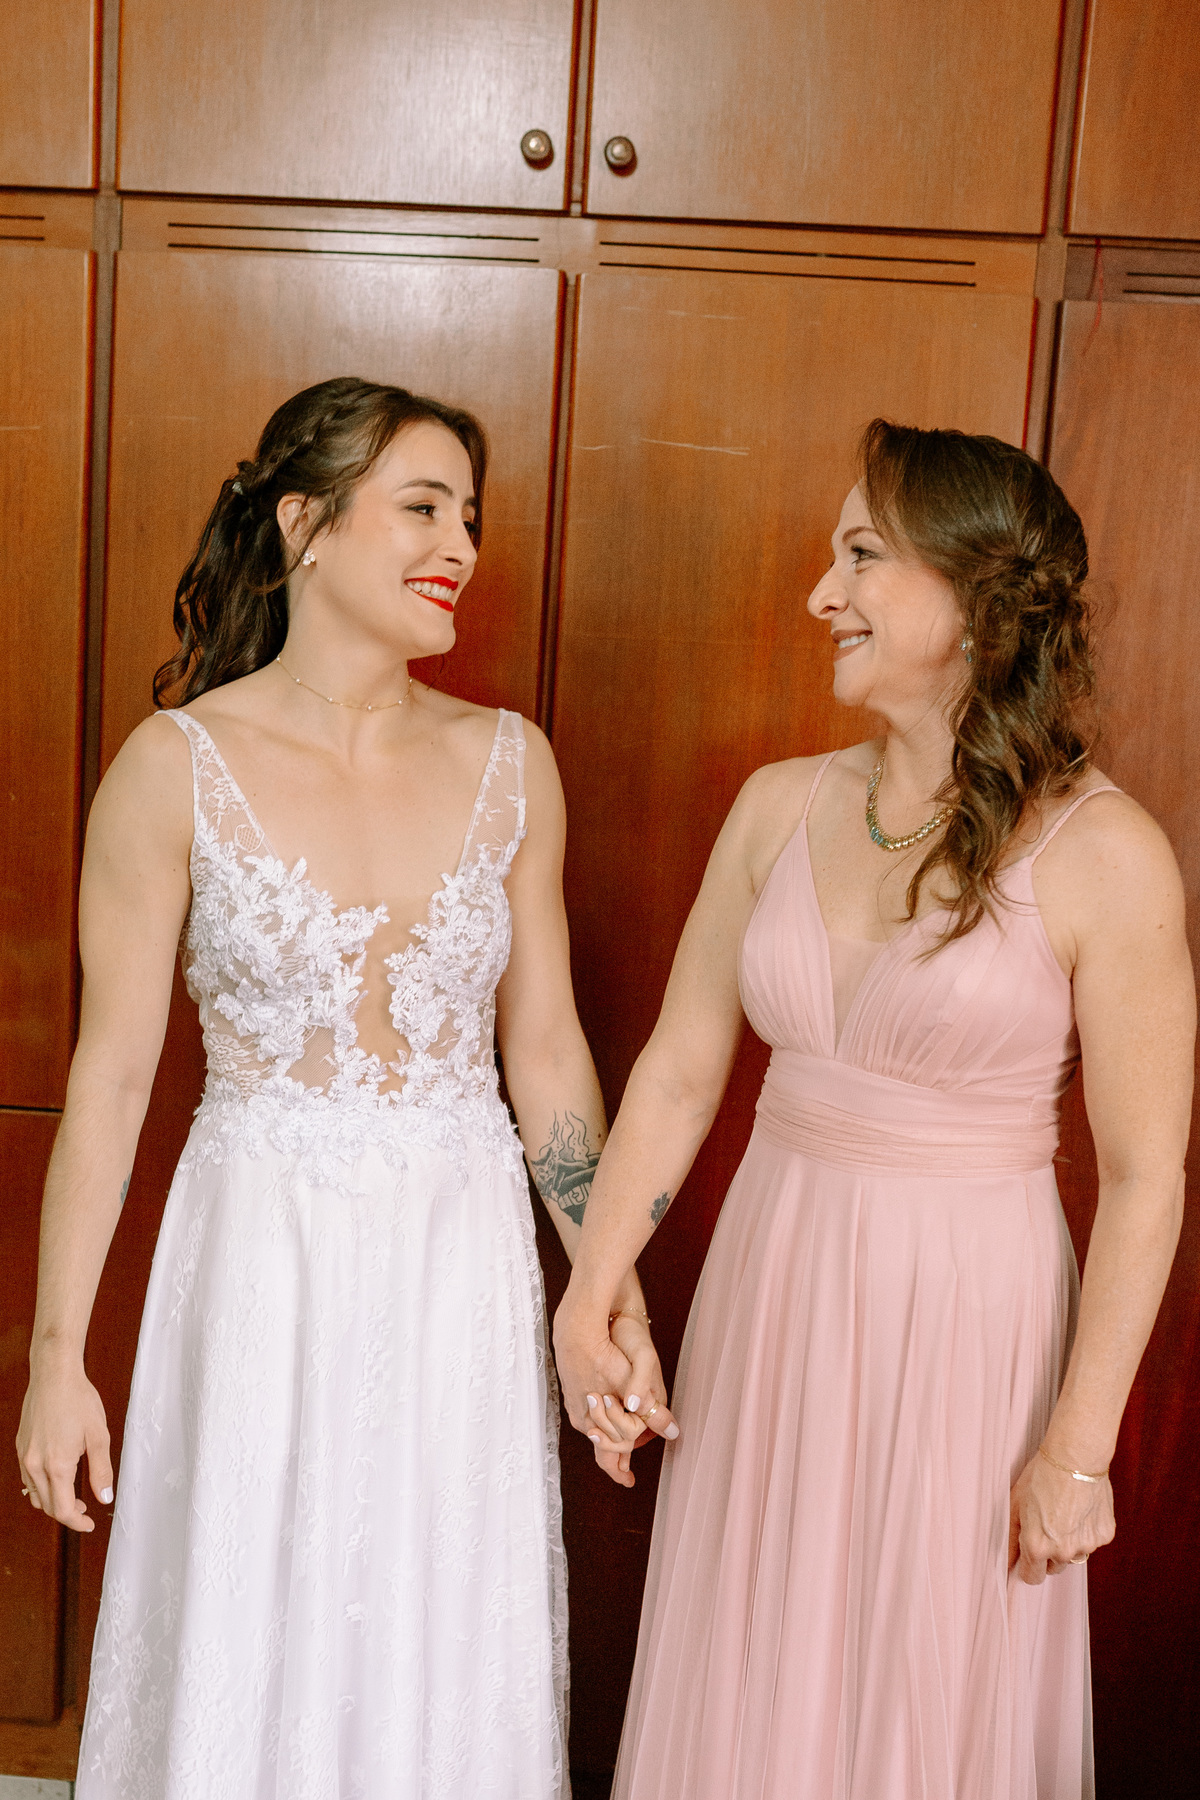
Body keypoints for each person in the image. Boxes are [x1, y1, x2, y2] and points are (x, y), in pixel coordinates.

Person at [16, 376, 671, 1798]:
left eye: (471, 518)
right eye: (423, 507)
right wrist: (57, 1359)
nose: (461, 548)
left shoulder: (511, 763)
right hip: (260, 1254)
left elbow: (545, 1047)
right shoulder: (174, 769)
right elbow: (111, 1081)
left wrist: (603, 1283)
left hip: (458, 1258)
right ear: (304, 521)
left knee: (439, 1624)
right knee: (256, 1615)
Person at [553, 421, 1193, 1800]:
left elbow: (1147, 1176)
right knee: (753, 1655)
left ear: (975, 598)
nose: (819, 595)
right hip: (774, 1290)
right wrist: (591, 1289)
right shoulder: (777, 807)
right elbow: (679, 1069)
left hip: (967, 1326)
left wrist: (1079, 1447)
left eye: (859, 557)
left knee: (923, 1675)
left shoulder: (1108, 854)